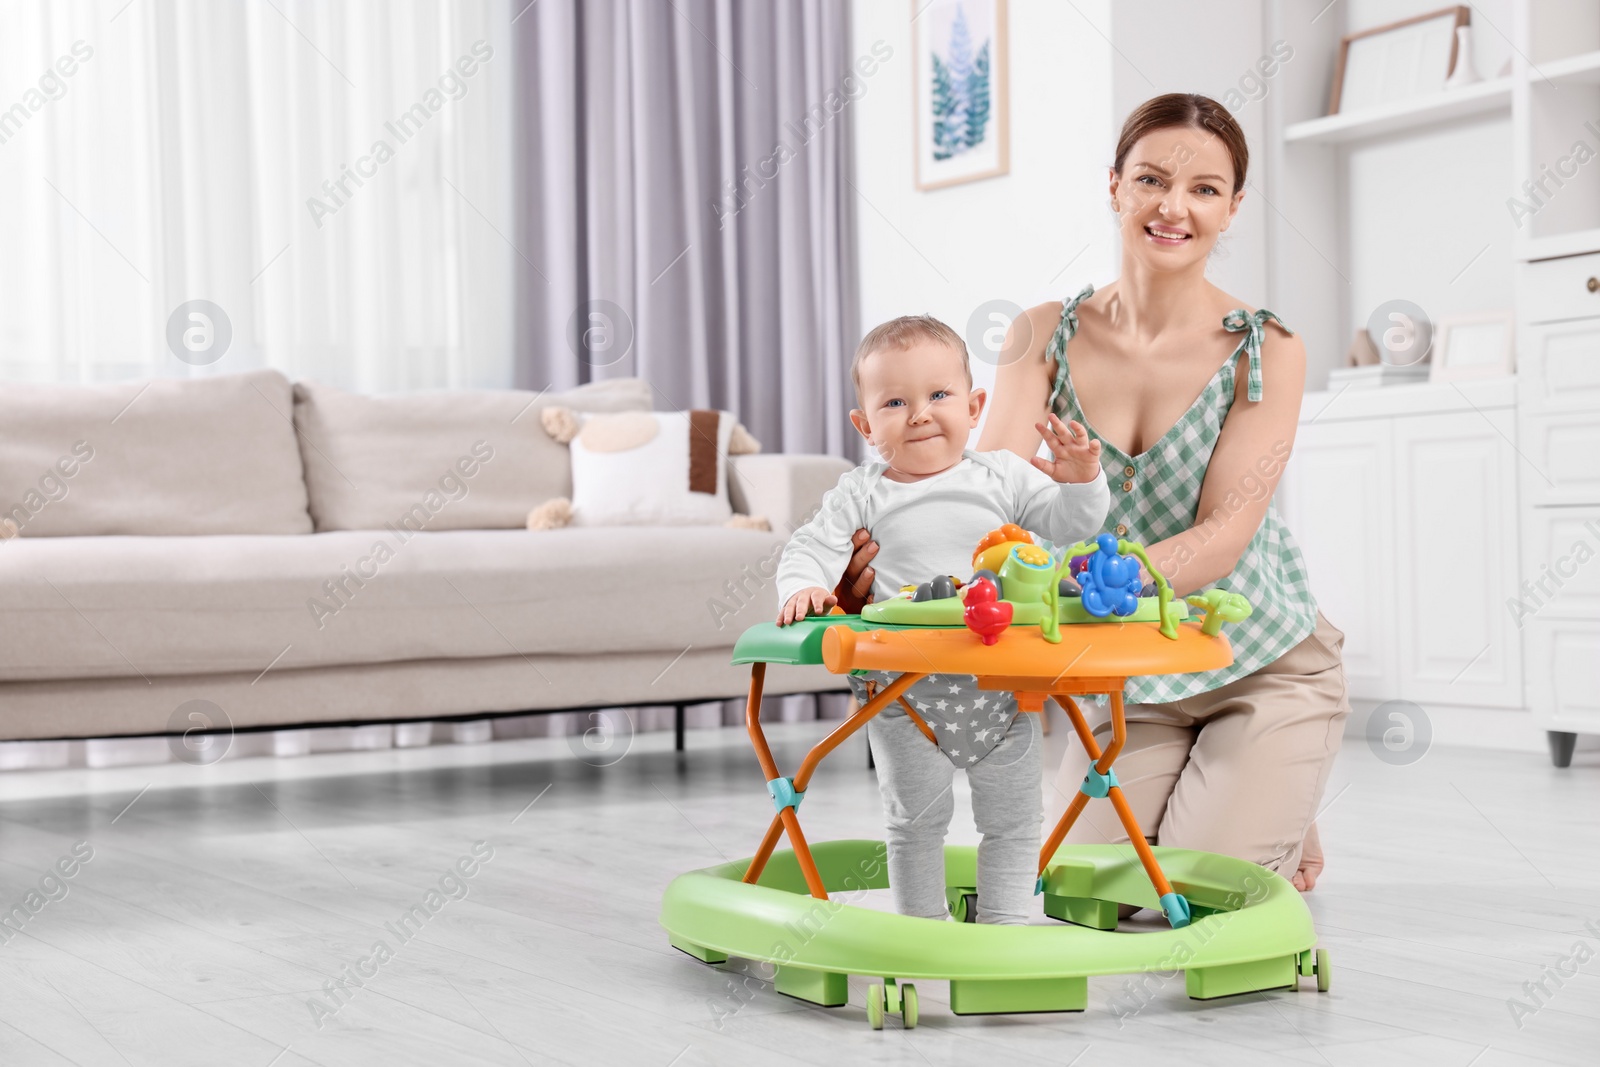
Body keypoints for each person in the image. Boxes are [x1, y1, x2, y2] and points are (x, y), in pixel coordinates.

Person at [831, 93, 1351, 899]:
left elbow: (1221, 537)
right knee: (1088, 897)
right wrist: (893, 568)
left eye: (1205, 189)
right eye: (1151, 179)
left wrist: (1088, 582)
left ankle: (1281, 756)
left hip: (1254, 659)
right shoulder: (1043, 334)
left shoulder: (1267, 346)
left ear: (1232, 207)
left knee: (1193, 898)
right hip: (1127, 675)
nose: (1174, 207)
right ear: (1114, 187)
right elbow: (985, 508)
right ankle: (1258, 791)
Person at [774, 314, 1109, 924]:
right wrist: (804, 588)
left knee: (1014, 820)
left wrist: (1083, 479)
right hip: (903, 692)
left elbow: (1072, 523)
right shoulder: (860, 492)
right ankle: (921, 929)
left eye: (939, 395)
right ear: (864, 425)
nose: (920, 414)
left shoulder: (1003, 475)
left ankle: (1006, 926)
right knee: (914, 823)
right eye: (895, 402)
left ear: (975, 405)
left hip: (1002, 686)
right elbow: (811, 547)